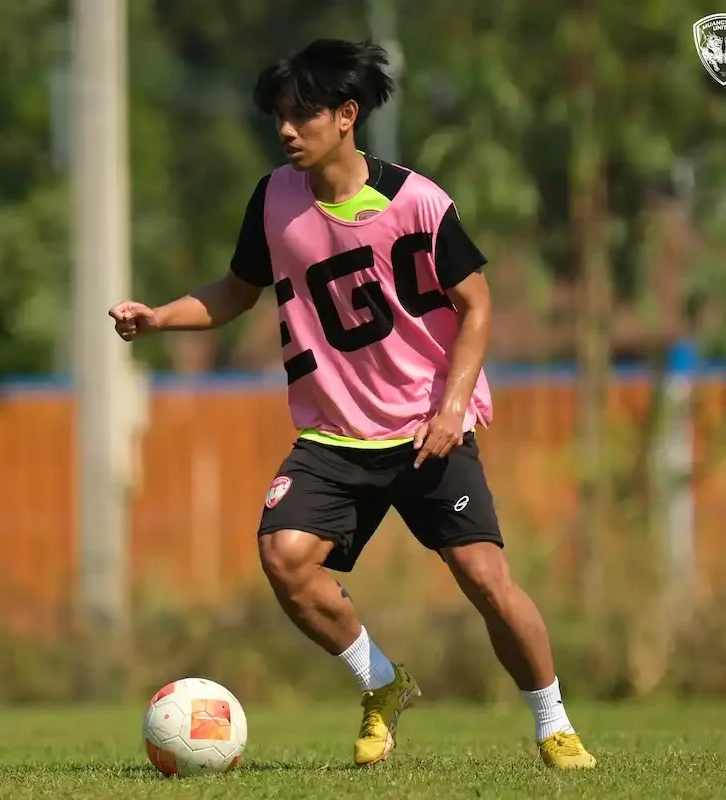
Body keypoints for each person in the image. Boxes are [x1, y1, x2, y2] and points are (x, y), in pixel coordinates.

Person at [109, 38, 597, 771]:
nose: (285, 129)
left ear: (346, 116)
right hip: (335, 437)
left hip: (427, 429)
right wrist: (160, 317)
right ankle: (383, 686)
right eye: (279, 114)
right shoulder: (274, 198)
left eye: (301, 114)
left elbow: (478, 303)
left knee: (487, 583)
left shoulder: (417, 202)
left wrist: (453, 405)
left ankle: (553, 723)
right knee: (285, 558)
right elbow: (235, 293)